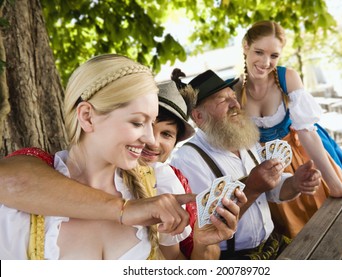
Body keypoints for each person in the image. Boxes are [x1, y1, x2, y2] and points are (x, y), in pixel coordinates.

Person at [0, 54, 240, 260]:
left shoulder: (154, 185)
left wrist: (203, 243)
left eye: (156, 126)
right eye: (137, 122)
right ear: (87, 116)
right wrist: (124, 209)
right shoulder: (20, 207)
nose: (150, 139)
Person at [170, 69, 322, 259]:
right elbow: (208, 224)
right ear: (199, 117)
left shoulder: (243, 138)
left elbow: (271, 189)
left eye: (233, 97)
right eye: (222, 100)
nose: (235, 104)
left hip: (273, 245)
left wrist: (295, 183)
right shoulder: (187, 159)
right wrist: (252, 188)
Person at [232, 20, 342, 238]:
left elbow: (308, 133)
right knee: (299, 237)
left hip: (305, 158)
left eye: (273, 55)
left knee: (338, 227)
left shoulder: (286, 77)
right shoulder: (234, 91)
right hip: (271, 172)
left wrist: (334, 184)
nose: (265, 62)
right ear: (245, 46)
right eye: (259, 52)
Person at [140, 80, 246, 259]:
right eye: (146, 126)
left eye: (166, 134)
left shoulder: (169, 181)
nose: (153, 142)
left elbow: (175, 259)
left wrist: (203, 242)